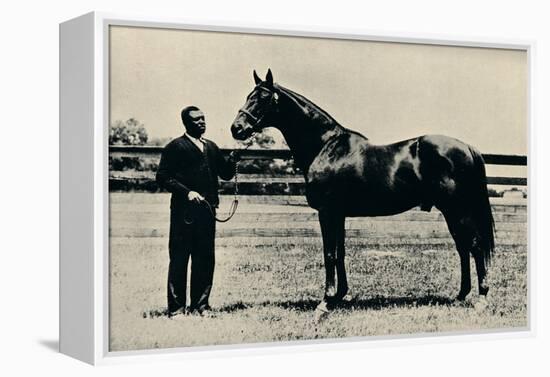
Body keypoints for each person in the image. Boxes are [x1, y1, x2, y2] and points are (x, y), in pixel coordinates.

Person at [156, 106, 237, 317]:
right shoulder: (175, 147)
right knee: (180, 258)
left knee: (205, 258)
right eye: (196, 120)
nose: (201, 122)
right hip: (184, 213)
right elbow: (163, 177)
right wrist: (187, 192)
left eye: (203, 118)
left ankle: (201, 306)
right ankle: (176, 309)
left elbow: (226, 174)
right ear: (186, 123)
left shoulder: (211, 147)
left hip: (207, 212)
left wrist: (235, 156)